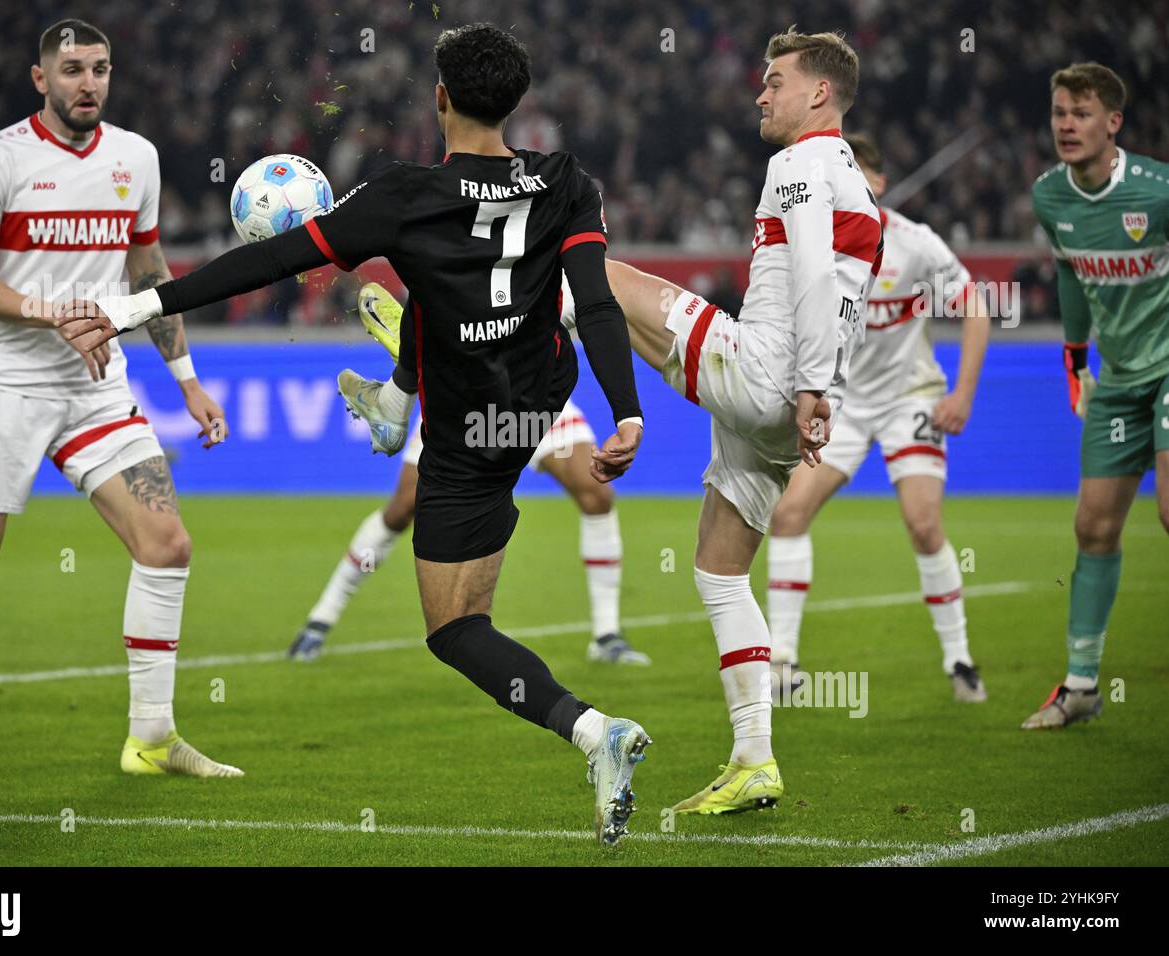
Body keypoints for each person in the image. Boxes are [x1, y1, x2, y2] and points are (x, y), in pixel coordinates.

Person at [58, 23, 652, 844]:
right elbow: (597, 303)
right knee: (457, 299)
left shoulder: (402, 195)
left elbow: (264, 264)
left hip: (466, 428)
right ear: (515, 104)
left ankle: (594, 730)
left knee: (454, 629)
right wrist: (626, 411)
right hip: (537, 399)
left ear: (439, 97)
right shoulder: (567, 182)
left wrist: (130, 309)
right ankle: (397, 389)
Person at [0, 19, 241, 779]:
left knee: (167, 545)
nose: (89, 83)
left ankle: (151, 739)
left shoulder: (135, 157)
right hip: (5, 378)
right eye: (72, 69)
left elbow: (148, 274)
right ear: (40, 78)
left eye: (101, 69)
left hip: (96, 380)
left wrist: (187, 381)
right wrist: (59, 314)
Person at [586, 28, 882, 814]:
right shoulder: (854, 181)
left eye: (775, 80)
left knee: (588, 272)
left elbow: (816, 273)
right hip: (784, 416)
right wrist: (818, 392)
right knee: (719, 570)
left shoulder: (802, 162)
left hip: (765, 373)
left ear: (819, 93)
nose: (761, 92)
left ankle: (432, 357)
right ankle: (755, 760)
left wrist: (809, 381)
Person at [289, 282, 648, 667]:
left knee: (596, 493)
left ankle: (607, 635)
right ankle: (320, 620)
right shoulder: (466, 253)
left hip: (535, 402)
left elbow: (593, 313)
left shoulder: (556, 261)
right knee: (402, 509)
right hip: (460, 407)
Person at [764, 133, 991, 702]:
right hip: (839, 402)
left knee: (922, 524)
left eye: (856, 174)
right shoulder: (812, 245)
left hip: (908, 397)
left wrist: (961, 394)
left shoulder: (914, 245)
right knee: (789, 514)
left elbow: (976, 307)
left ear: (880, 183)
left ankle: (960, 660)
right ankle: (783, 664)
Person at [1024, 62, 1169, 729]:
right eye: (1058, 113)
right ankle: (1081, 688)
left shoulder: (1159, 191)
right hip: (1118, 381)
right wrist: (1075, 361)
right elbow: (1072, 278)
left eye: (1080, 114)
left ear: (1113, 123)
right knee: (1093, 527)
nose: (1066, 125)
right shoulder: (1051, 197)